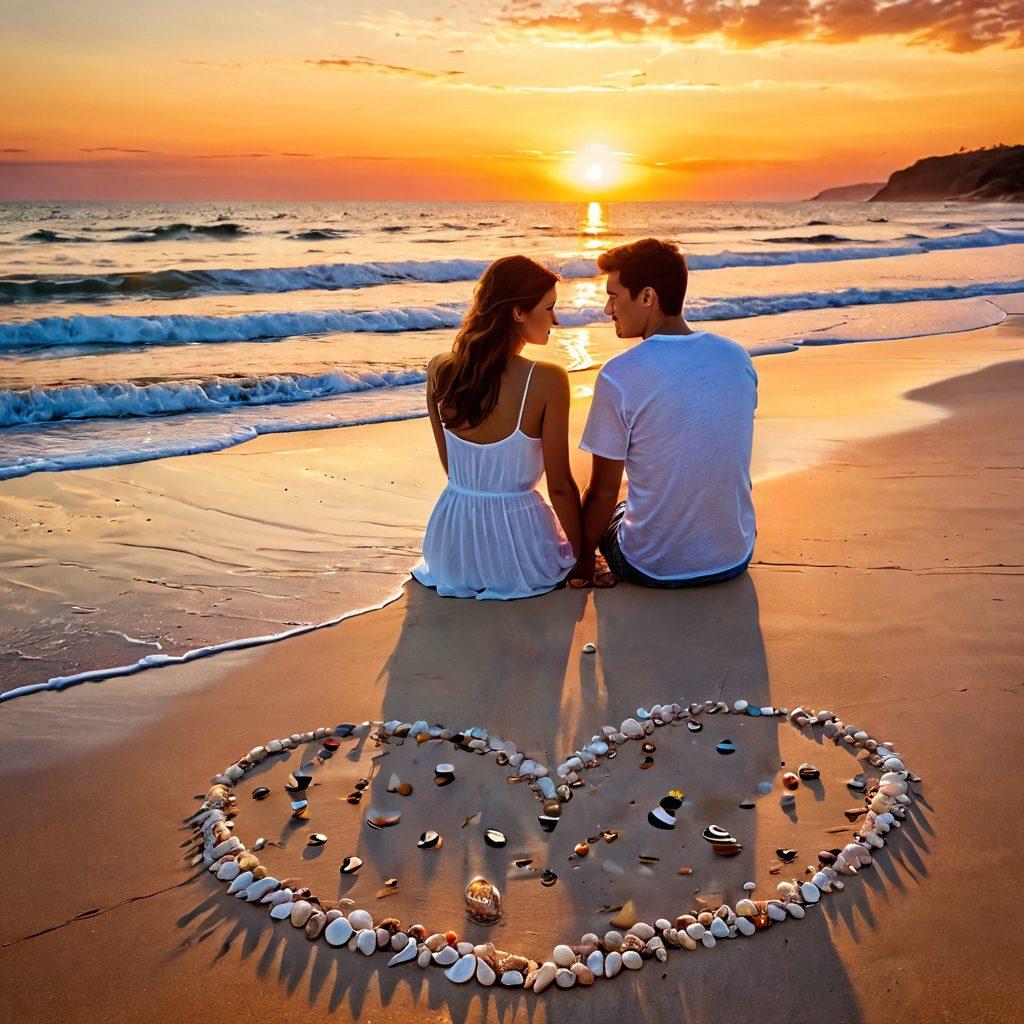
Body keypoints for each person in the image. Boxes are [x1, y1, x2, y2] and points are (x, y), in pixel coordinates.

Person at [571, 238, 757, 589]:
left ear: (647, 297)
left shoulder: (618, 375)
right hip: (733, 557)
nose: (608, 310)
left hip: (652, 567)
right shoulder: (737, 357)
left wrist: (582, 565)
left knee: (610, 505)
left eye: (614, 296)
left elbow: (602, 493)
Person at [412, 255, 580, 599]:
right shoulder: (548, 380)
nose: (556, 319)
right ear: (518, 312)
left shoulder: (439, 370)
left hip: (451, 547)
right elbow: (560, 487)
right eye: (549, 308)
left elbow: (452, 469)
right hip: (517, 552)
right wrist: (583, 560)